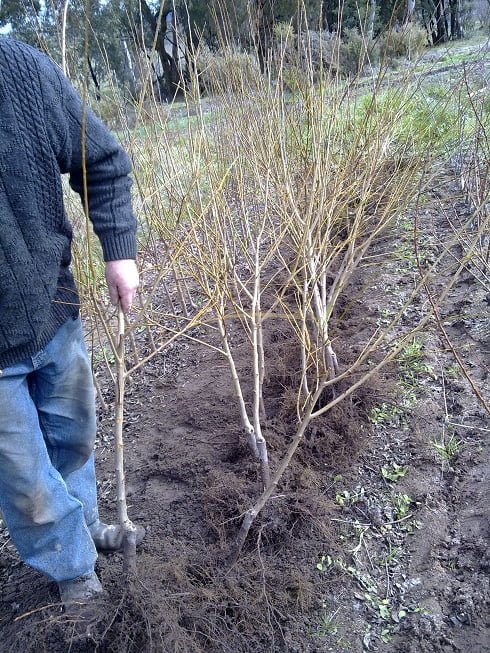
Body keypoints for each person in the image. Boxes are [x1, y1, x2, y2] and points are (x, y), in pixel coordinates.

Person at [0, 37, 144, 618]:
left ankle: (84, 529)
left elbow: (102, 160)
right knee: (27, 482)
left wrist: (119, 250)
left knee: (74, 442)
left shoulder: (22, 73)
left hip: (53, 310)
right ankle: (73, 570)